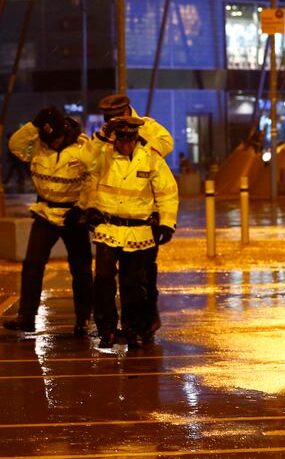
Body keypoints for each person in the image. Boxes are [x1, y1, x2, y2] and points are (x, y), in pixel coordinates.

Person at [86, 116, 178, 348]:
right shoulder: (103, 155)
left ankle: (133, 329)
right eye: (121, 137)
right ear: (115, 137)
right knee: (104, 280)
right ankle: (106, 329)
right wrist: (100, 136)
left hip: (138, 232)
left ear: (137, 137)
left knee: (133, 284)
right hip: (109, 228)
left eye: (130, 137)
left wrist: (167, 222)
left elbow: (167, 192)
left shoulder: (151, 159)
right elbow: (85, 162)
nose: (126, 142)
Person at [3, 107, 94, 336]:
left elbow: (95, 179)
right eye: (49, 139)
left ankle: (84, 319)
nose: (53, 143)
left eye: (57, 139)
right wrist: (34, 125)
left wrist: (81, 207)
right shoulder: (38, 145)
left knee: (81, 269)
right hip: (45, 212)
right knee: (32, 266)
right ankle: (26, 317)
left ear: (66, 132)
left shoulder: (83, 148)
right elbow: (15, 145)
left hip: (74, 215)